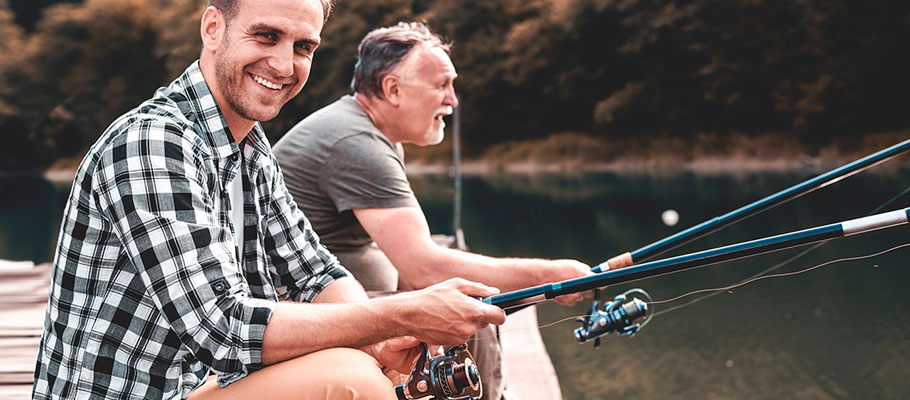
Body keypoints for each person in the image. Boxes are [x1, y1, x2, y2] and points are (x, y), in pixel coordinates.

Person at [32, 2, 505, 399]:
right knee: (349, 383)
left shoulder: (250, 148)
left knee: (374, 362)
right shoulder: (154, 142)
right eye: (265, 37)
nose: (284, 65)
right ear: (213, 28)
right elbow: (222, 329)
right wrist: (398, 314)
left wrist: (381, 341)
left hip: (197, 386)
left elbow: (315, 271)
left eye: (303, 47)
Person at [273, 22, 608, 400]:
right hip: (313, 318)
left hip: (340, 302)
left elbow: (415, 266)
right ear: (392, 90)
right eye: (441, 85)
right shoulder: (355, 143)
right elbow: (423, 268)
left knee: (459, 294)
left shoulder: (363, 131)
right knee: (461, 304)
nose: (453, 99)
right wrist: (553, 274)